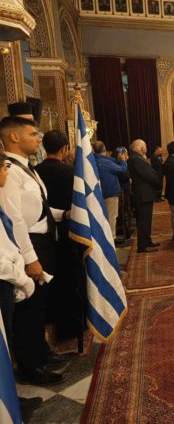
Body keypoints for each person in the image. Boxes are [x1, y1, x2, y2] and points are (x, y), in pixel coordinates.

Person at [0, 115, 69, 385]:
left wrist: (64, 214)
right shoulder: (8, 170)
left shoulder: (28, 168)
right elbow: (15, 219)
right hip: (28, 244)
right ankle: (30, 365)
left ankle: (41, 350)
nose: (39, 139)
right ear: (14, 137)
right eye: (33, 134)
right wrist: (30, 259)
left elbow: (38, 209)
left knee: (40, 304)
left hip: (43, 240)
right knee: (29, 308)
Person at [36, 131, 83, 340]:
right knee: (69, 275)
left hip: (42, 235)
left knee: (49, 276)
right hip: (69, 230)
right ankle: (72, 325)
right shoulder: (71, 172)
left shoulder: (34, 172)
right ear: (64, 149)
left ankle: (51, 317)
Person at [128, 139, 162, 254]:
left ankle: (147, 241)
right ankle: (143, 245)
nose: (146, 148)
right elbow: (149, 175)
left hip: (144, 193)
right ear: (141, 148)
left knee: (146, 220)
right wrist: (157, 182)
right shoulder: (136, 159)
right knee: (143, 221)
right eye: (145, 146)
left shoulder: (136, 158)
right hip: (143, 194)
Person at [93, 141, 128, 240]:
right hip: (110, 193)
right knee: (112, 217)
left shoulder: (94, 160)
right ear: (104, 148)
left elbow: (110, 160)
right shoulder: (106, 162)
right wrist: (123, 161)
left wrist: (117, 160)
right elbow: (122, 169)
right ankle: (112, 239)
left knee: (102, 217)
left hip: (98, 193)